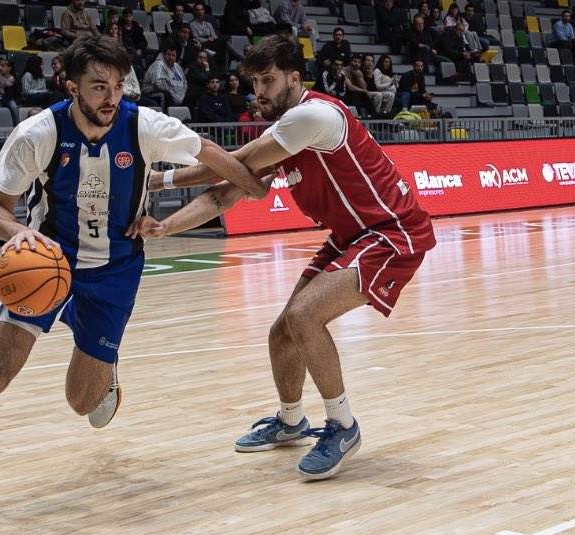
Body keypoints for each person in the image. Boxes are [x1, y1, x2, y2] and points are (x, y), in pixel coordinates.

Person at [0, 36, 266, 526]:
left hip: (115, 270)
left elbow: (211, 153)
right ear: (70, 87)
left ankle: (103, 360)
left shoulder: (144, 125)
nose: (111, 98)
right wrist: (20, 235)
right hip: (49, 264)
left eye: (117, 86)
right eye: (98, 87)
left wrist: (254, 186)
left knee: (83, 403)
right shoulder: (37, 134)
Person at [132, 33, 437, 480]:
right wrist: (165, 227)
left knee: (303, 316)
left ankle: (343, 426)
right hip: (351, 235)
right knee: (283, 333)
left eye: (268, 80)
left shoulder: (312, 116)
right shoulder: (287, 132)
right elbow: (224, 193)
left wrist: (157, 181)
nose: (259, 91)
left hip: (392, 232)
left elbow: (232, 160)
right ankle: (291, 421)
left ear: (294, 78)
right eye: (255, 82)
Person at [141, 42, 187, 109]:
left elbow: (185, 83)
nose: (171, 57)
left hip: (175, 96)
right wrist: (174, 96)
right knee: (166, 95)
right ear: (164, 54)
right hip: (152, 93)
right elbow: (158, 84)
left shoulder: (178, 67)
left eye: (173, 55)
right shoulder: (159, 64)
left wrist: (182, 96)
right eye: (168, 54)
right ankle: (166, 114)